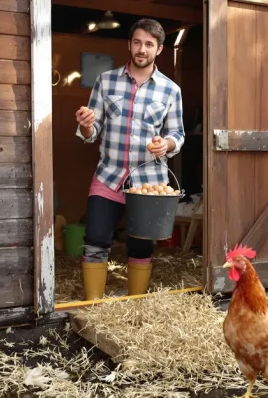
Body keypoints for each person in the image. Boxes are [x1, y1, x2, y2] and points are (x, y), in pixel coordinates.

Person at [75, 18, 185, 301]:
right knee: (96, 239)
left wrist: (166, 144)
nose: (142, 49)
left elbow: (177, 134)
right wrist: (87, 124)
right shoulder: (105, 81)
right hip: (108, 176)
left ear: (159, 49)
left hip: (148, 185)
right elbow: (91, 130)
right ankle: (94, 306)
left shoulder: (171, 90)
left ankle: (135, 305)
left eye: (149, 44)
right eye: (137, 42)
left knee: (141, 248)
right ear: (129, 44)